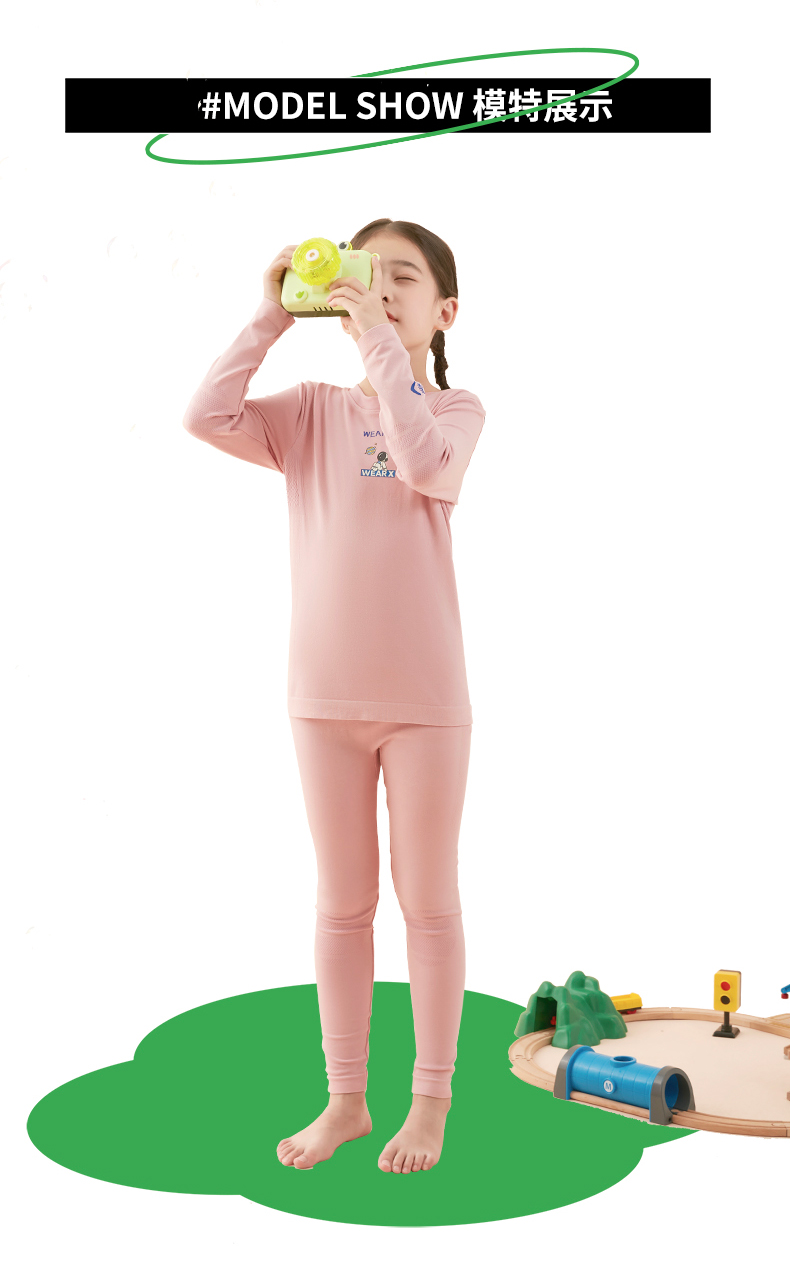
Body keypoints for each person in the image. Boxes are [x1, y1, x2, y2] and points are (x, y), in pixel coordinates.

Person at [182, 218, 486, 1175]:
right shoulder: (310, 411)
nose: (381, 287)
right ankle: (346, 1100)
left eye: (404, 277)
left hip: (426, 702)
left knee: (427, 903)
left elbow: (425, 465)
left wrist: (379, 347)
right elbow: (206, 415)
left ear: (444, 311)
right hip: (323, 699)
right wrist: (270, 315)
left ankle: (429, 1103)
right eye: (367, 271)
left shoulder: (457, 410)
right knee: (343, 905)